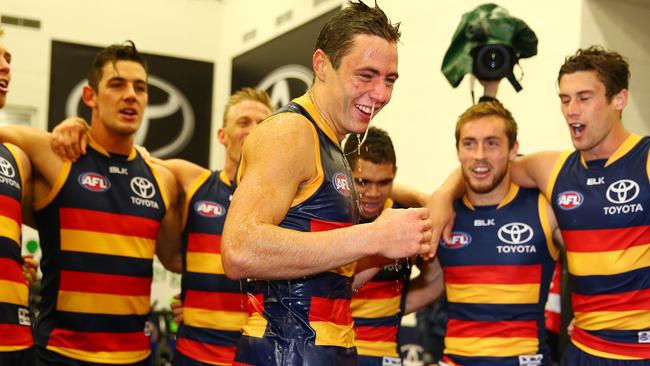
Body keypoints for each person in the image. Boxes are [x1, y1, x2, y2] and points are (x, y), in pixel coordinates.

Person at [220, 2, 433, 365]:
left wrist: (383, 249)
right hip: (284, 352)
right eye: (366, 75)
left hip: (322, 350)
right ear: (321, 65)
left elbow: (323, 282)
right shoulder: (291, 131)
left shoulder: (332, 142)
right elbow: (239, 250)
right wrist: (374, 237)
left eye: (389, 79)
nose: (380, 94)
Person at [431, 46, 650, 363]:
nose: (571, 110)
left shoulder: (644, 159)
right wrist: (442, 195)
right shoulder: (553, 170)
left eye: (584, 98)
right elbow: (485, 167)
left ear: (619, 99)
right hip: (583, 350)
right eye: (565, 99)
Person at [0, 40, 181, 366]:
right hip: (60, 356)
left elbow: (178, 259)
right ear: (90, 97)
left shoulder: (162, 178)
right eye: (117, 84)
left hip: (136, 358)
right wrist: (74, 124)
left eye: (140, 88)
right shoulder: (54, 155)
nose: (131, 95)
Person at [435, 100, 561, 366]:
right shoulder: (442, 215)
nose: (479, 155)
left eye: (492, 143)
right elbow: (428, 287)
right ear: (457, 151)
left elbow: (591, 257)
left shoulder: (544, 209)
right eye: (469, 143)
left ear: (513, 149)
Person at [344, 127, 442, 366]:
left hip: (384, 354)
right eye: (363, 182)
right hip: (331, 350)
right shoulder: (325, 213)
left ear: (395, 175)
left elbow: (434, 282)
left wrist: (394, 308)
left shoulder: (405, 218)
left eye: (384, 182)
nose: (373, 193)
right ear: (344, 171)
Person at [0, 25, 37, 366]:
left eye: (8, 58)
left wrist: (15, 269)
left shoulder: (13, 157)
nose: (6, 66)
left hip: (15, 339)